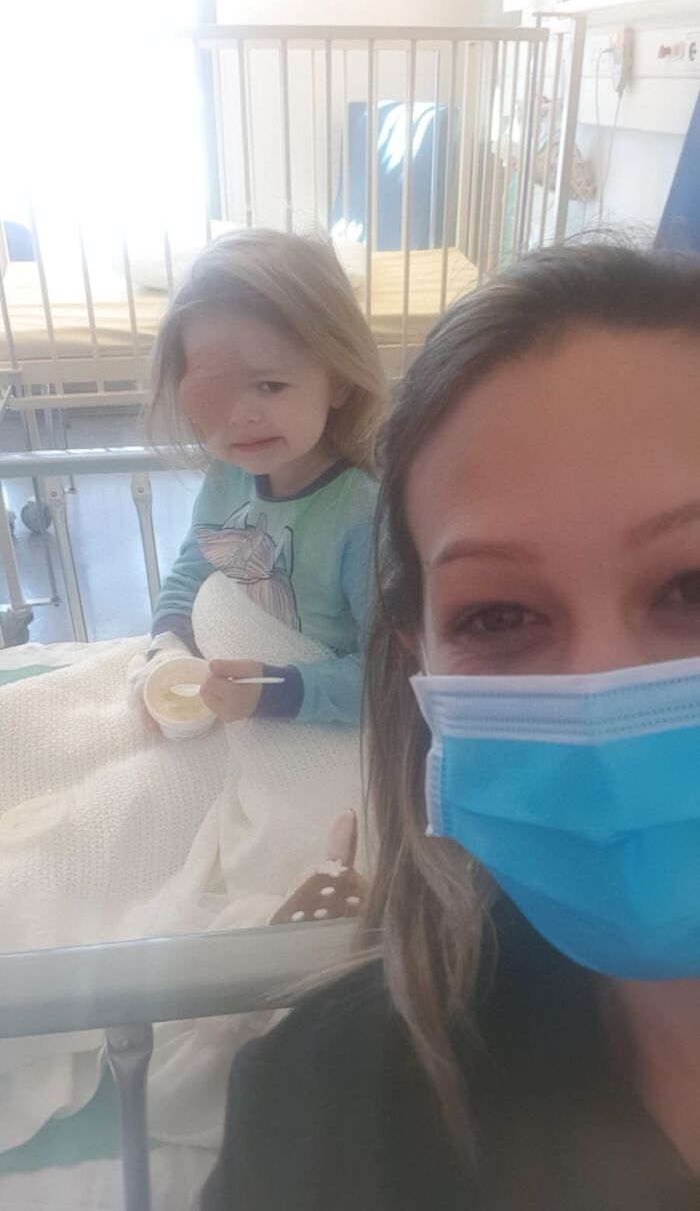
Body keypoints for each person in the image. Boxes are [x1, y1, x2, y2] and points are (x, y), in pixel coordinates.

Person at [202, 243, 700, 1209]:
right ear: (420, 658)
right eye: (498, 616)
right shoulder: (319, 1110)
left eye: (691, 586)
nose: (602, 692)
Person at [129, 229, 384, 727]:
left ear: (338, 380)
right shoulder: (230, 473)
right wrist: (168, 645)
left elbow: (390, 676)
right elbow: (194, 565)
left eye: (270, 384)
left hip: (324, 715)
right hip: (239, 682)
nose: (240, 416)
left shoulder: (362, 518)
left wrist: (274, 694)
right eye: (214, 391)